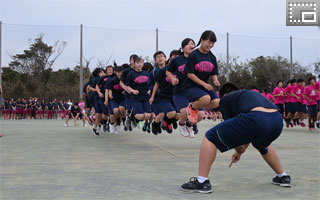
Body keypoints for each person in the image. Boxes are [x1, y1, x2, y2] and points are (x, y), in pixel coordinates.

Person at [180, 82, 291, 193]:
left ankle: (202, 181)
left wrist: (238, 150)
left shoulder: (226, 100)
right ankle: (283, 176)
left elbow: (236, 134)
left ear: (223, 95)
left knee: (211, 137)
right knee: (261, 144)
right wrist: (240, 152)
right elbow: (247, 132)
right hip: (277, 121)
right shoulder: (248, 94)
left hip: (256, 119)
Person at [182, 30, 220, 125]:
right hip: (190, 86)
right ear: (202, 40)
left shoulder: (212, 57)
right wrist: (205, 84)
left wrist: (215, 80)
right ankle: (192, 108)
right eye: (208, 42)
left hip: (202, 87)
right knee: (206, 98)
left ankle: (194, 107)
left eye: (212, 43)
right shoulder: (194, 55)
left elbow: (214, 73)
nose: (210, 45)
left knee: (216, 102)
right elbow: (189, 74)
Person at [125, 57, 151, 126]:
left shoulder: (146, 73)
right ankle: (131, 116)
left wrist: (149, 90)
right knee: (140, 116)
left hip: (146, 97)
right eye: (138, 63)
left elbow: (150, 84)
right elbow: (127, 86)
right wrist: (133, 91)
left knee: (147, 116)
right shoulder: (131, 74)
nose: (139, 64)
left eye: (141, 63)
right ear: (134, 64)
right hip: (136, 97)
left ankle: (134, 116)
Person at [105, 65, 126, 133]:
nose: (120, 73)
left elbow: (128, 87)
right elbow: (109, 89)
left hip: (123, 98)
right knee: (116, 111)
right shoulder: (112, 80)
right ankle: (115, 122)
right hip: (114, 98)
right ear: (115, 72)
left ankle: (123, 120)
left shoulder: (125, 79)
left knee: (121, 109)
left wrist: (126, 91)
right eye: (118, 72)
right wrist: (110, 95)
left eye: (121, 72)